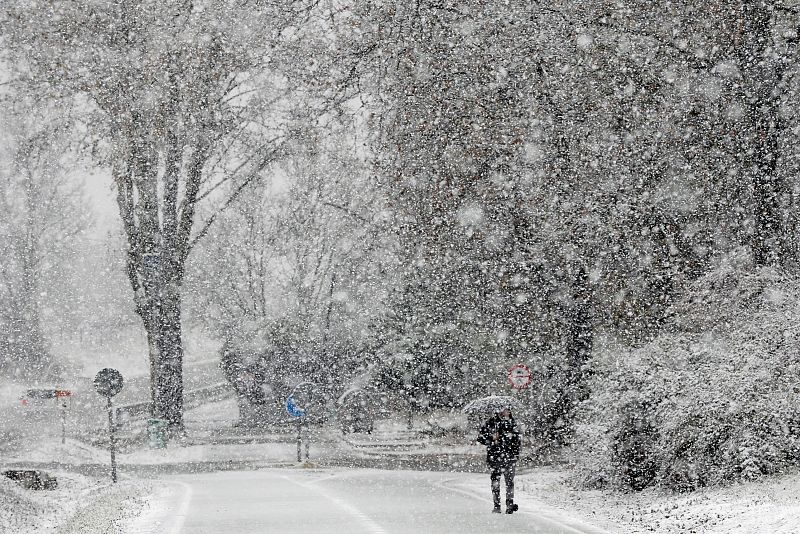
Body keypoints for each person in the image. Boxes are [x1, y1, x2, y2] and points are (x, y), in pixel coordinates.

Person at [476, 407, 521, 514]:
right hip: (495, 457)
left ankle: (509, 504)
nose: (507, 412)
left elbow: (517, 441)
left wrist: (515, 454)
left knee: (509, 482)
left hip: (509, 457)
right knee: (495, 481)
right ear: (499, 411)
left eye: (509, 410)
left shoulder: (512, 423)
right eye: (505, 410)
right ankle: (497, 505)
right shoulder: (491, 423)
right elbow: (480, 438)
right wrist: (491, 438)